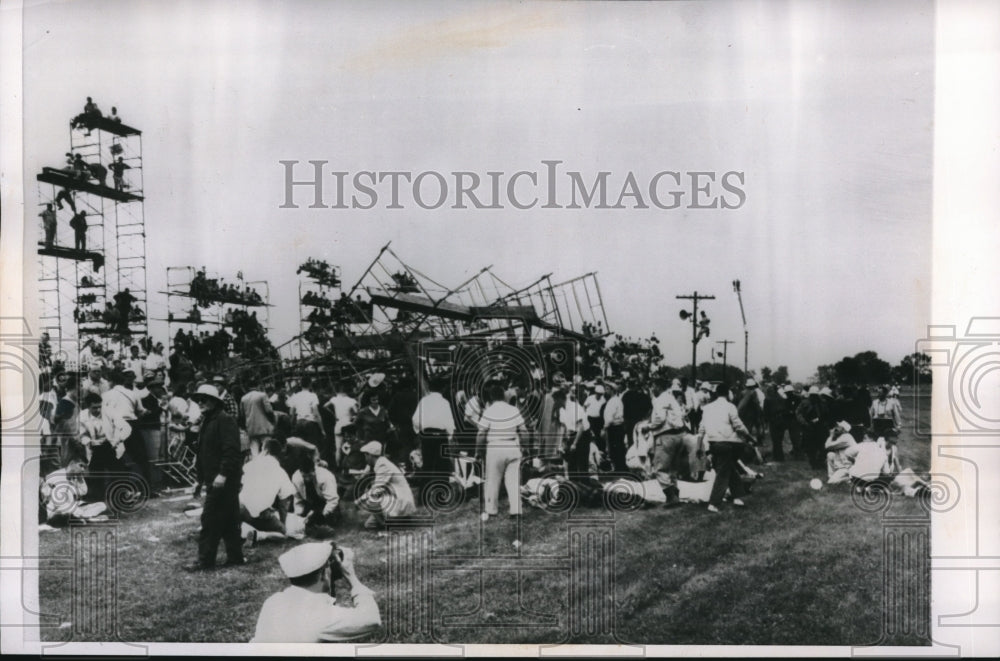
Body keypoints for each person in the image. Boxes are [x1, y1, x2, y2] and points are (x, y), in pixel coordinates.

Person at [252, 542, 381, 642]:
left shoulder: (273, 601)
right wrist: (351, 577)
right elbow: (372, 619)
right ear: (324, 574)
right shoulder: (321, 615)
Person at [185, 384, 245, 571]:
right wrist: (199, 480)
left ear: (215, 401)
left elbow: (232, 451)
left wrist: (223, 474)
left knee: (210, 518)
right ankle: (235, 556)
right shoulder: (207, 421)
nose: (200, 402)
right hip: (215, 478)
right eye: (198, 400)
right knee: (229, 519)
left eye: (204, 399)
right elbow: (203, 453)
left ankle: (205, 560)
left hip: (224, 479)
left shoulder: (224, 420)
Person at [698, 383, 756, 513]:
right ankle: (714, 503)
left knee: (728, 467)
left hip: (714, 444)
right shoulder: (730, 406)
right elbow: (738, 425)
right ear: (728, 393)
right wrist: (750, 437)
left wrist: (698, 446)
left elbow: (701, 429)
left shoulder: (707, 408)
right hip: (729, 443)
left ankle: (737, 496)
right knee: (723, 472)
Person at [475, 383, 527, 521]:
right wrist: (525, 446)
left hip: (495, 447)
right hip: (512, 445)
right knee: (513, 480)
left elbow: (481, 434)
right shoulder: (513, 410)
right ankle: (516, 511)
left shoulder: (488, 411)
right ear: (504, 395)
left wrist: (479, 451)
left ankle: (491, 510)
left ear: (491, 397)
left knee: (492, 480)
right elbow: (523, 430)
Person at [647, 377, 696, 502]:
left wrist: (649, 426)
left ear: (658, 387)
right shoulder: (671, 399)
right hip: (679, 435)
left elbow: (660, 418)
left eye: (653, 386)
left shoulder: (661, 399)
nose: (652, 389)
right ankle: (675, 493)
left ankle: (671, 495)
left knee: (660, 468)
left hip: (666, 436)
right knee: (672, 468)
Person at [240, 439, 296, 543]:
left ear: (265, 451)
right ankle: (259, 535)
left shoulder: (250, 465)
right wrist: (282, 524)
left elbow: (241, 483)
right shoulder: (281, 472)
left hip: (240, 507)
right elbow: (284, 502)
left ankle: (236, 529)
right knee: (282, 534)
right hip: (260, 512)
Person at [356, 441, 416, 530]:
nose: (365, 458)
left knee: (371, 499)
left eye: (365, 455)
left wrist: (359, 501)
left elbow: (377, 489)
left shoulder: (383, 465)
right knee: (369, 525)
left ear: (370, 455)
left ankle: (388, 525)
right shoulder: (381, 462)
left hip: (400, 499)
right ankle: (402, 520)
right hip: (397, 496)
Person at [411, 378, 455, 482]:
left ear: (430, 388)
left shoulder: (424, 401)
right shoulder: (444, 402)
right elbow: (449, 421)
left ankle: (425, 489)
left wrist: (420, 430)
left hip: (427, 434)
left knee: (428, 464)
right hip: (441, 435)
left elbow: (415, 419)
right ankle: (442, 489)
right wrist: (450, 435)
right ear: (443, 389)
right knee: (442, 464)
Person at [292, 453, 341, 530]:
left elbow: (333, 499)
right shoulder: (296, 478)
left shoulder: (326, 476)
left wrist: (323, 515)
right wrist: (298, 516)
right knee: (305, 522)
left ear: (314, 470)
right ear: (300, 472)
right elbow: (298, 500)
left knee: (328, 523)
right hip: (310, 502)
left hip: (325, 502)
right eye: (304, 476)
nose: (307, 479)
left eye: (310, 475)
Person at [323, 380, 357, 467]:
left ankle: (338, 466)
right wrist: (353, 417)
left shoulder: (334, 399)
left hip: (338, 424)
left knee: (338, 448)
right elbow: (356, 412)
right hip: (348, 425)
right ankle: (349, 465)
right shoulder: (351, 400)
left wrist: (333, 414)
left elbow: (325, 406)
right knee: (351, 446)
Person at [288, 376, 326, 449]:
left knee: (301, 447)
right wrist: (322, 429)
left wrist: (292, 426)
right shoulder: (313, 396)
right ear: (310, 384)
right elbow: (316, 414)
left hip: (299, 423)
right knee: (312, 447)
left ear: (300, 385)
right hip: (310, 423)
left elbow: (291, 413)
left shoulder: (295, 396)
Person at [240, 382, 275, 457]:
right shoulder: (262, 395)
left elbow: (242, 415)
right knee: (266, 449)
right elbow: (269, 410)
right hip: (264, 426)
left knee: (254, 450)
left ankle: (255, 462)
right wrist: (273, 421)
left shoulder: (243, 398)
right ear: (258, 386)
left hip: (251, 427)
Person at [602, 381, 627, 472]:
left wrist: (604, 428)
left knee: (616, 449)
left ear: (612, 390)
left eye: (607, 389)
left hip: (615, 428)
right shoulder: (613, 400)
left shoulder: (614, 401)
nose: (605, 391)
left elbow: (609, 418)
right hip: (615, 427)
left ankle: (619, 468)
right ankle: (618, 467)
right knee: (616, 448)